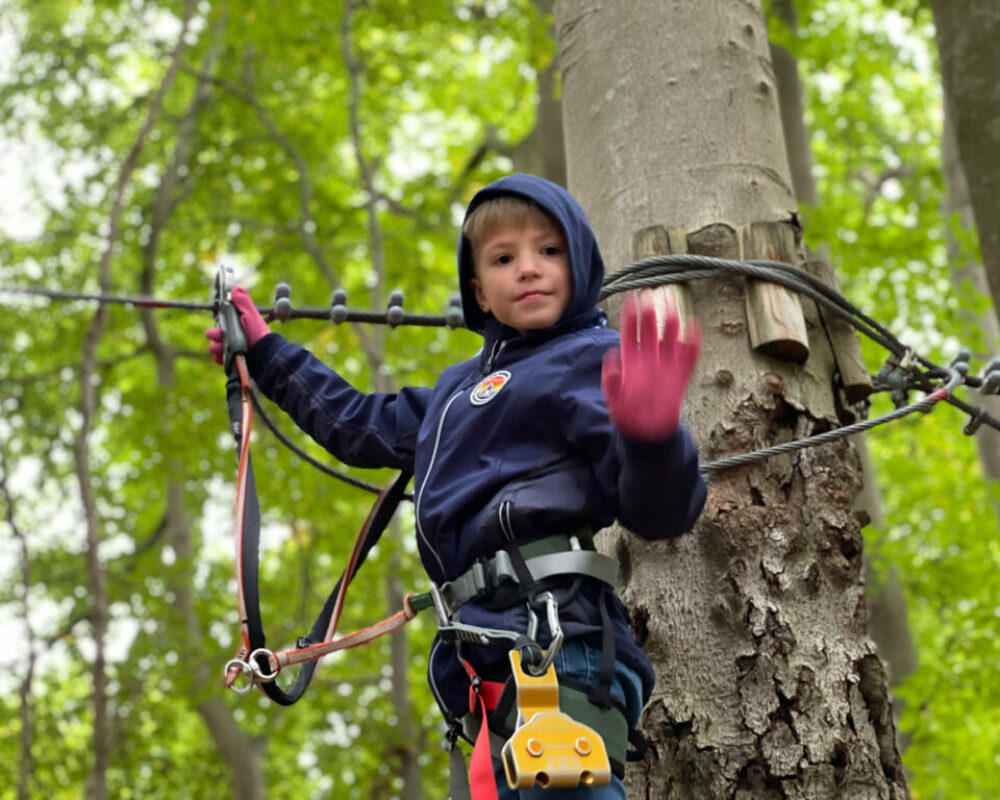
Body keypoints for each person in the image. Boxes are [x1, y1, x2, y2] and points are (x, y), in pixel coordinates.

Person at [207, 173, 706, 799]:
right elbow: (359, 426)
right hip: (482, 667)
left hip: (556, 644)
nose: (528, 269)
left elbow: (659, 512)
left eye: (548, 251)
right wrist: (267, 352)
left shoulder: (593, 359)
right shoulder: (453, 392)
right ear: (480, 292)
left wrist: (654, 438)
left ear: (580, 263)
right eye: (504, 258)